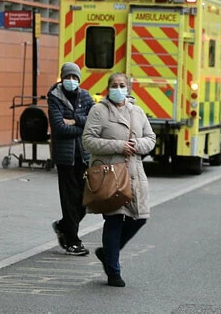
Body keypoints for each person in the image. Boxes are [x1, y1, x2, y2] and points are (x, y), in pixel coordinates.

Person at [82, 73, 156, 287]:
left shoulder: (137, 111)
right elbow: (88, 140)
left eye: (122, 85)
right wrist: (118, 146)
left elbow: (150, 138)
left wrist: (136, 145)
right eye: (114, 85)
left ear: (128, 88)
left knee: (140, 218)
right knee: (114, 220)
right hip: (110, 174)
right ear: (108, 88)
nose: (118, 88)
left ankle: (107, 253)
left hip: (134, 173)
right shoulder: (99, 111)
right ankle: (113, 271)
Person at [47, 62, 95, 257]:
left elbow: (95, 121)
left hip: (84, 156)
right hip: (65, 158)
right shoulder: (54, 97)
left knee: (84, 201)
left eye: (75, 78)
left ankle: (63, 226)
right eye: (68, 77)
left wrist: (75, 120)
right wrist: (82, 127)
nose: (71, 81)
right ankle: (73, 242)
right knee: (69, 200)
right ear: (62, 77)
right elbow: (59, 128)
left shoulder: (85, 96)